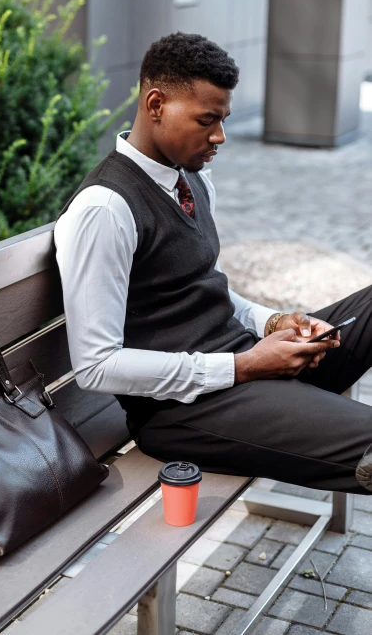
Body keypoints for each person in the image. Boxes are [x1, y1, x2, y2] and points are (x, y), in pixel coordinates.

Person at [54, 32, 372, 495]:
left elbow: (205, 287)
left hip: (244, 367)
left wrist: (274, 322)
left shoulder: (193, 181)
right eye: (208, 120)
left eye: (222, 119)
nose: (220, 136)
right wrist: (243, 366)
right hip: (184, 412)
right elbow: (97, 366)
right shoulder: (104, 209)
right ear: (156, 104)